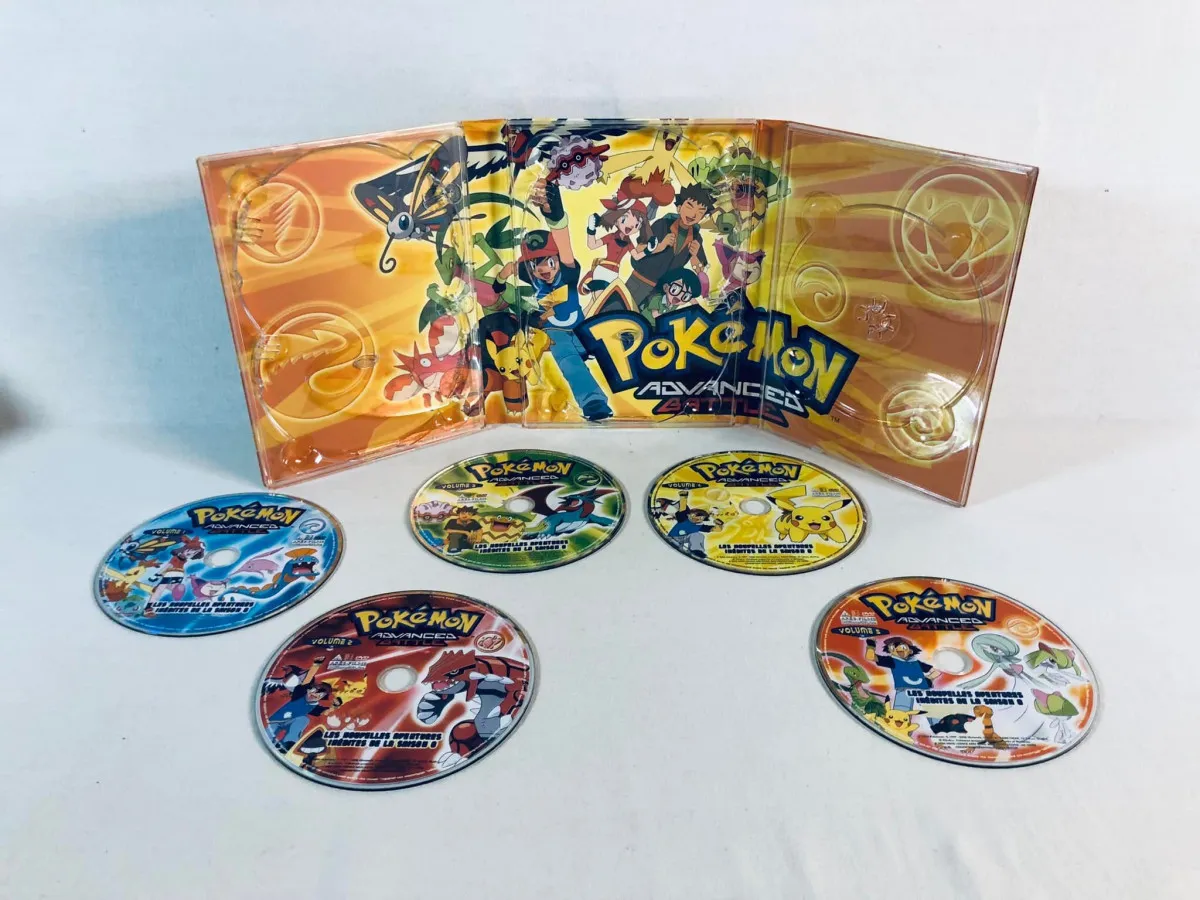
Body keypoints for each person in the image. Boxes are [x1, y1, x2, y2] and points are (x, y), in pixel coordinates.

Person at [500, 177, 613, 421]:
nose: (544, 270)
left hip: (583, 329)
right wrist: (501, 279)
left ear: (557, 260)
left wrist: (554, 212)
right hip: (556, 333)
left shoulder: (568, 271)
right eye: (536, 265)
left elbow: (563, 242)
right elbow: (510, 269)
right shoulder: (530, 274)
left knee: (614, 344)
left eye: (549, 262)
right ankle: (593, 401)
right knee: (569, 361)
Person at [625, 183, 716, 313]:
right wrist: (660, 246)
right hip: (641, 280)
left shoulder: (696, 238)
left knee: (648, 321)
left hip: (664, 291)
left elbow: (699, 269)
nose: (693, 214)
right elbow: (639, 249)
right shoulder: (662, 224)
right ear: (679, 207)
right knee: (623, 310)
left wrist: (695, 255)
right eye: (689, 207)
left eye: (700, 212)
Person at [865, 637, 941, 712]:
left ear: (910, 651)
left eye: (902, 647)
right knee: (901, 712)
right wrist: (871, 644)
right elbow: (870, 657)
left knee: (930, 712)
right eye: (892, 648)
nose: (896, 649)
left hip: (923, 692)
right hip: (904, 691)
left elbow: (936, 672)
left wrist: (929, 678)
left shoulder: (917, 663)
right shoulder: (892, 661)